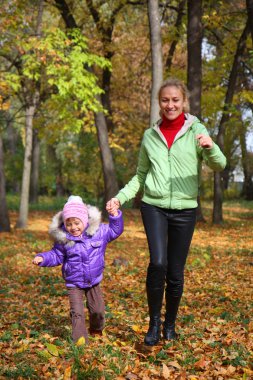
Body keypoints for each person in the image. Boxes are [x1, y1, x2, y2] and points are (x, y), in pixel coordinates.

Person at [106, 77, 226, 346]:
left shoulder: (197, 130)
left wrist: (211, 146)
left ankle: (170, 323)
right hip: (154, 207)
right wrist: (120, 197)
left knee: (175, 271)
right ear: (159, 103)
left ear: (184, 102)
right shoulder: (150, 136)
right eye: (165, 100)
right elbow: (140, 176)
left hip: (185, 210)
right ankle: (154, 324)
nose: (170, 104)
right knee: (157, 263)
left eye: (175, 100)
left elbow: (219, 165)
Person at [33, 195, 123, 344]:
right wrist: (43, 258)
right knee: (77, 313)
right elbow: (56, 255)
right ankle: (80, 342)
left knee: (98, 310)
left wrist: (115, 216)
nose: (73, 227)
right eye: (69, 224)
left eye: (77, 223)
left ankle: (96, 328)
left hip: (93, 279)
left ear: (85, 220)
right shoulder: (64, 239)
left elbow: (115, 230)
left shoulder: (99, 232)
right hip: (73, 281)